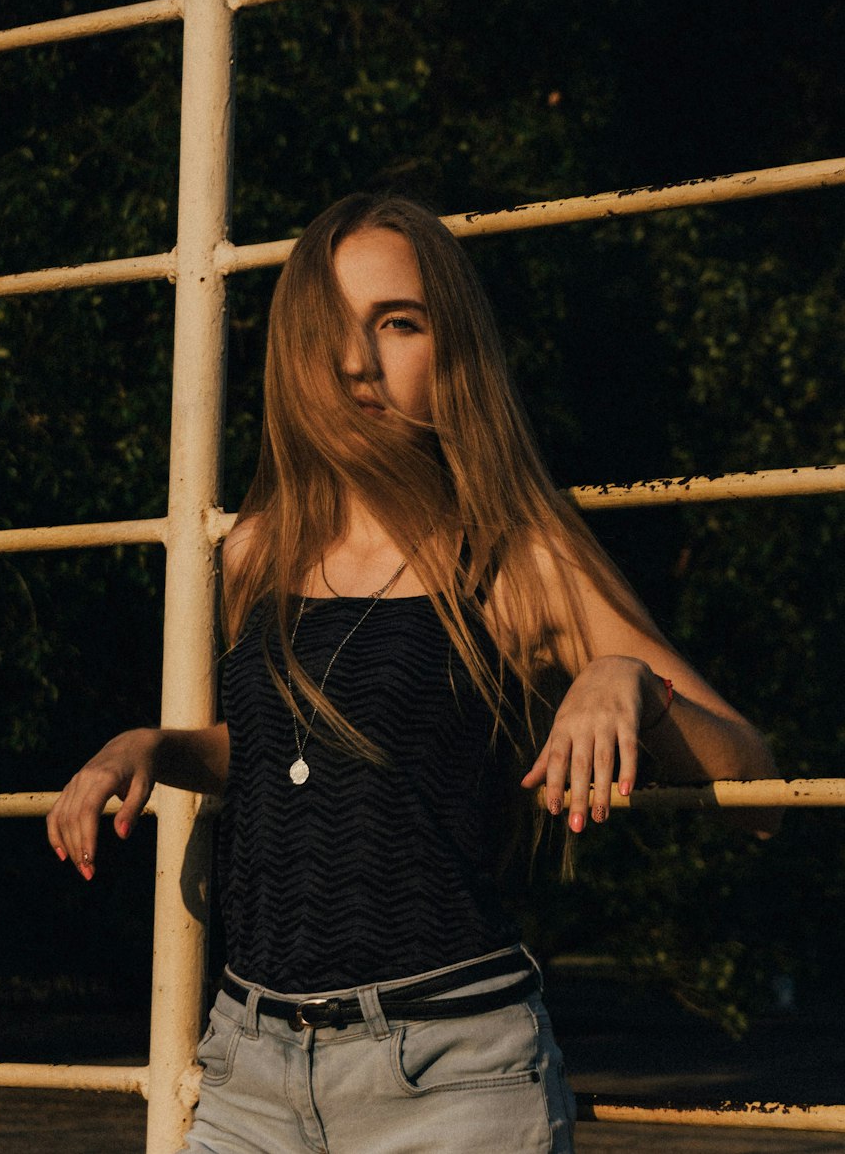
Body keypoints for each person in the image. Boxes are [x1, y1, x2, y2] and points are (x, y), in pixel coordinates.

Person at [47, 194, 780, 1153]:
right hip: (246, 1066)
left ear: (454, 344)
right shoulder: (261, 547)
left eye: (397, 322)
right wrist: (150, 745)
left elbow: (759, 780)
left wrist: (626, 679)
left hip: (452, 1076)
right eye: (331, 330)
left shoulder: (518, 554)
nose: (357, 360)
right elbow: (298, 754)